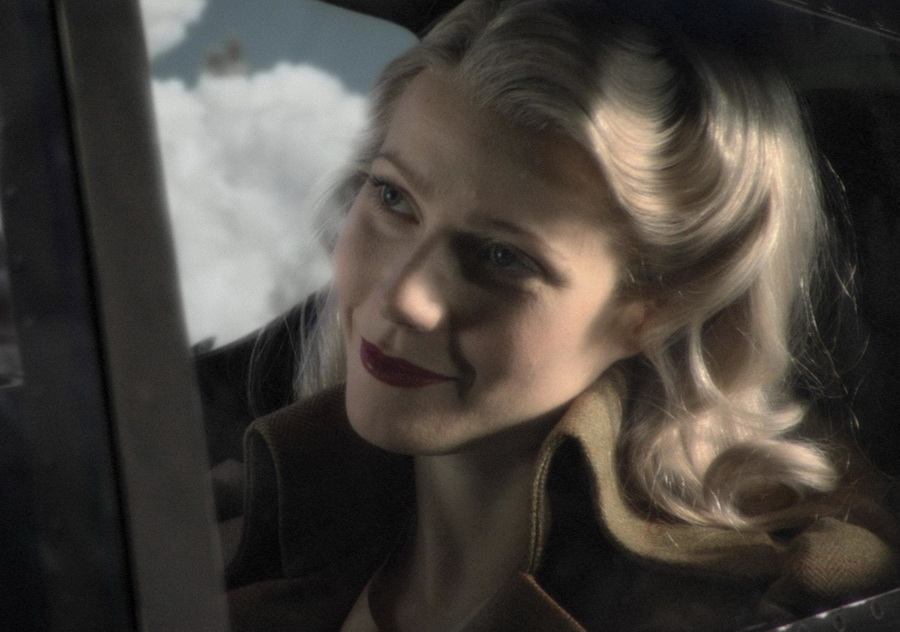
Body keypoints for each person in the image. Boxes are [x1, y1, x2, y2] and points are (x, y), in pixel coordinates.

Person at [225, 0, 900, 630]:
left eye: (502, 256)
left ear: (656, 307)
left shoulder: (772, 611)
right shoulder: (217, 537)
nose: (404, 296)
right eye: (394, 198)